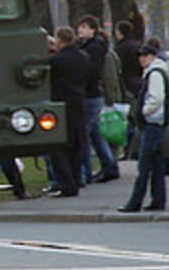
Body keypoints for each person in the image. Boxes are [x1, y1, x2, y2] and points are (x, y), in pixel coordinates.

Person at [119, 45, 169, 212]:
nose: (142, 58)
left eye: (145, 55)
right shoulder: (157, 71)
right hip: (157, 123)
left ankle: (135, 202)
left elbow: (156, 98)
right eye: (141, 56)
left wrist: (142, 112)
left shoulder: (154, 73)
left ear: (153, 56)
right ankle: (158, 200)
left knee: (144, 166)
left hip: (152, 123)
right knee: (156, 166)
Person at [76, 15, 120, 183]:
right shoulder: (90, 46)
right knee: (96, 135)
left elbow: (92, 71)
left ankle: (86, 172)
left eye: (84, 27)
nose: (80, 30)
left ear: (93, 30)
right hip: (93, 94)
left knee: (84, 135)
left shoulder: (93, 48)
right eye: (80, 27)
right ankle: (110, 166)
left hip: (90, 94)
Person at [47, 26, 87, 198]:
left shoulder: (57, 61)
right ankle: (76, 179)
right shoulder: (83, 57)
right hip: (78, 102)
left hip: (61, 103)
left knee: (59, 147)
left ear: (59, 40)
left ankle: (66, 184)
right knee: (76, 145)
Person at [114, 21, 141, 159]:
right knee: (136, 117)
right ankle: (136, 147)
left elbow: (118, 67)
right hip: (138, 82)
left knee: (127, 118)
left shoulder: (121, 48)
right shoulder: (137, 45)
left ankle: (129, 148)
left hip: (126, 83)